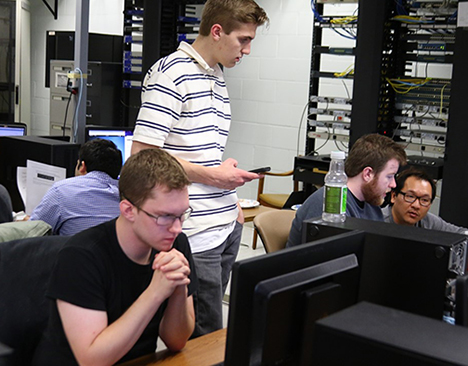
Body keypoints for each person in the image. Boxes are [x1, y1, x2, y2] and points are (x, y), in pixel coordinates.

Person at [131, 0, 269, 337]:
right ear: (217, 32)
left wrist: (229, 194)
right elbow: (143, 154)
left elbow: (199, 151)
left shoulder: (216, 73)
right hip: (195, 231)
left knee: (214, 332)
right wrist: (215, 177)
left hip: (224, 220)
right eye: (244, 40)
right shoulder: (171, 73)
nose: (247, 50)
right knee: (205, 337)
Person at [32, 148, 198, 365]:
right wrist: (155, 292)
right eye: (165, 217)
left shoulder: (175, 243)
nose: (176, 228)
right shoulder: (81, 256)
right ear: (128, 210)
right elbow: (92, 360)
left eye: (181, 214)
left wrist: (178, 288)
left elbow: (176, 341)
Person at [287, 133, 407, 247]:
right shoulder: (329, 205)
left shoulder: (372, 204)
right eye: (389, 176)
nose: (393, 184)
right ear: (368, 174)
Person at [29, 138, 122, 236]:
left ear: (82, 166)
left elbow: (33, 232)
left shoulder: (61, 191)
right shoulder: (128, 196)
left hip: (74, 250)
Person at [383, 167, 468, 235]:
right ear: (393, 196)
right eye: (410, 196)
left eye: (424, 200)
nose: (416, 205)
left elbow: (461, 233)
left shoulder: (429, 222)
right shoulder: (376, 220)